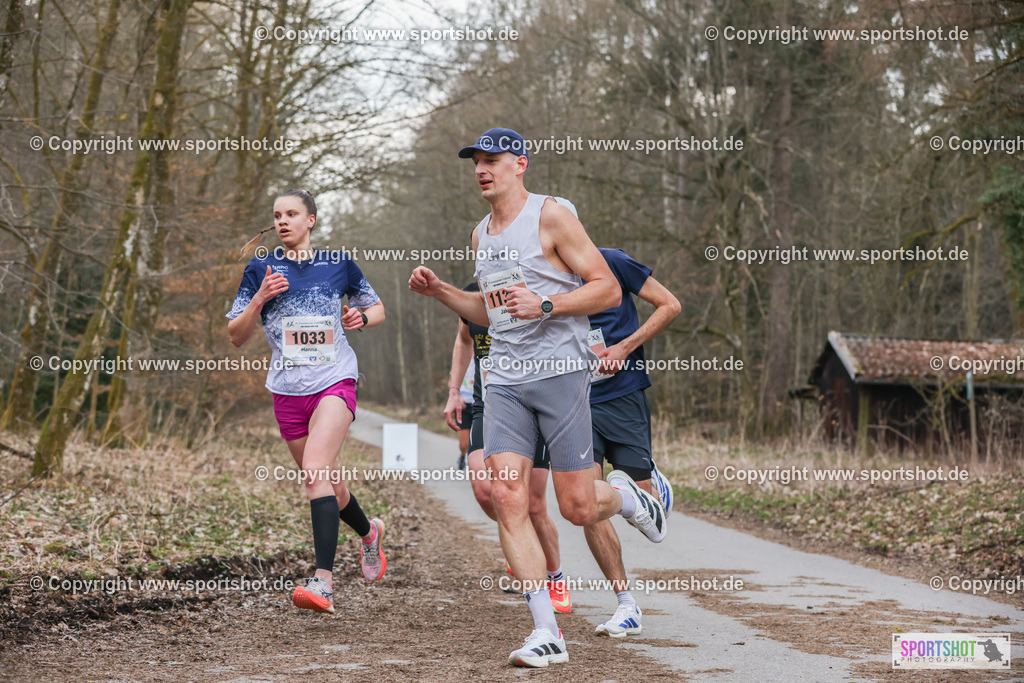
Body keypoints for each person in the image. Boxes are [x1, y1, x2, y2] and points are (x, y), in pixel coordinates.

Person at [410, 128, 666, 668]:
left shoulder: (551, 216)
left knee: (577, 507)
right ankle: (545, 629)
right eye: (476, 162)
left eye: (492, 160)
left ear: (519, 164)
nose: (482, 169)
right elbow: (487, 311)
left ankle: (629, 498)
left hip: (561, 375)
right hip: (503, 378)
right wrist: (442, 293)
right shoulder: (479, 234)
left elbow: (606, 288)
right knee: (507, 497)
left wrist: (546, 305)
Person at [227, 189, 387, 614]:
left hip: (334, 380)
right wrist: (260, 297)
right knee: (329, 485)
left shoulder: (338, 265)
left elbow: (377, 309)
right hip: (286, 391)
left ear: (310, 220)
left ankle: (323, 582)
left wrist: (359, 317)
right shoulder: (260, 268)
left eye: (292, 213)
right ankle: (369, 532)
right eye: (277, 215)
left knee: (314, 472)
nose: (283, 221)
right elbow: (236, 336)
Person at [443, 282, 570, 614]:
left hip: (535, 402)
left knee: (534, 504)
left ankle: (554, 576)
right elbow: (464, 339)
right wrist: (455, 389)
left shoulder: (533, 286)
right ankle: (519, 541)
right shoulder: (471, 295)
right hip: (491, 404)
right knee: (487, 490)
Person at [584, 248, 681, 638]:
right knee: (586, 502)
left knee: (644, 505)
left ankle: (652, 490)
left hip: (623, 396)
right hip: (573, 403)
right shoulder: (542, 276)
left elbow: (669, 305)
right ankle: (626, 604)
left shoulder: (612, 261)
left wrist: (625, 348)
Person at [454, 361, 475, 470]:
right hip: (463, 406)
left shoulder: (484, 355)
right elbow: (451, 382)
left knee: (478, 441)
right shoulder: (463, 358)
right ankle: (463, 455)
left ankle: (472, 466)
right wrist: (458, 396)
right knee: (464, 444)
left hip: (479, 404)